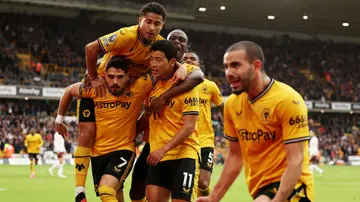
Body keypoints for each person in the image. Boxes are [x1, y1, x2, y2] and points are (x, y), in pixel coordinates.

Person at [197, 41, 314, 202]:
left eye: (236, 65)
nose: (229, 72)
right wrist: (213, 198)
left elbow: (296, 159)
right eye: (226, 66)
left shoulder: (288, 100)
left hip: (293, 188)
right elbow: (235, 156)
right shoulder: (232, 104)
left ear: (256, 66)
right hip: (260, 189)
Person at [56, 56, 156, 202]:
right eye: (111, 77)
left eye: (120, 77)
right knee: (116, 195)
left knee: (106, 190)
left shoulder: (138, 87)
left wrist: (183, 68)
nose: (115, 82)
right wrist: (59, 119)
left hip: (123, 150)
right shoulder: (95, 89)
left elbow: (162, 71)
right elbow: (69, 91)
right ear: (104, 76)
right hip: (98, 154)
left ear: (128, 76)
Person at [129, 30, 204, 202]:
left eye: (158, 60)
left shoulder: (187, 85)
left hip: (184, 154)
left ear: (172, 62)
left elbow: (189, 127)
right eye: (152, 60)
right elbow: (147, 118)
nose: (153, 64)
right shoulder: (152, 88)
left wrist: (163, 149)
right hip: (157, 155)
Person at [183, 50, 224, 197]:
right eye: (185, 58)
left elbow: (222, 108)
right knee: (187, 182)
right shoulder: (175, 84)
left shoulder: (210, 86)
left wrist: (229, 129)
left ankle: (207, 199)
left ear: (198, 64)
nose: (188, 60)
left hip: (205, 140)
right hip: (186, 140)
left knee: (204, 183)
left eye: (192, 59)